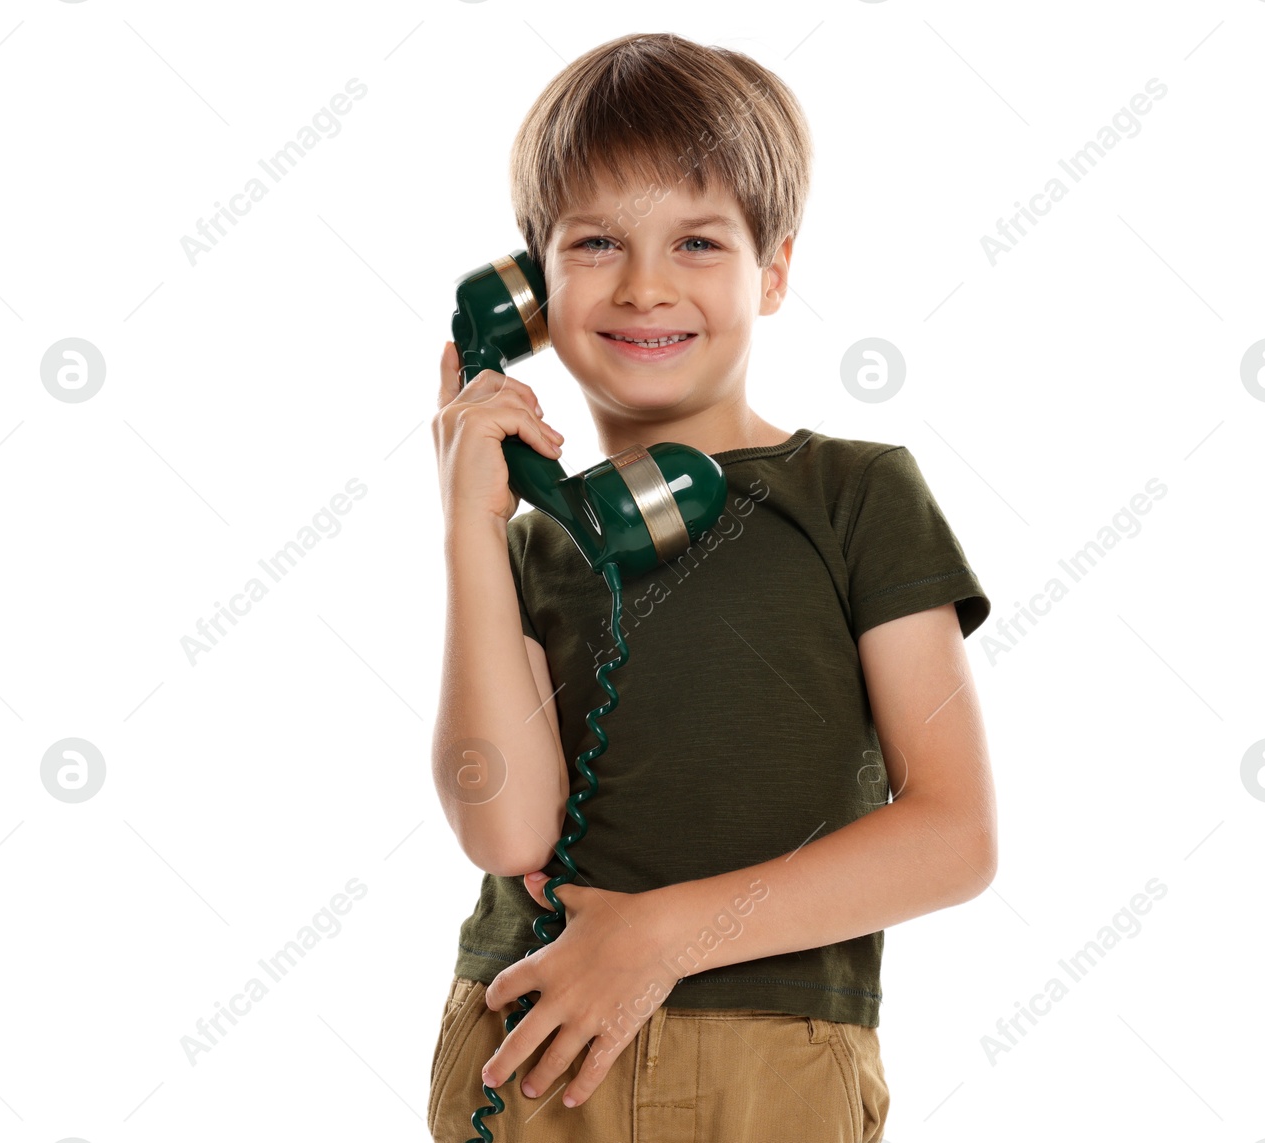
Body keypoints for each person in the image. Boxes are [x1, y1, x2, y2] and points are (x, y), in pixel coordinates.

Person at [427, 30, 996, 1143]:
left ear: (772, 270)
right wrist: (468, 525)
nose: (646, 285)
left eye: (697, 241)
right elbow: (506, 830)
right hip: (530, 1045)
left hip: (768, 1054)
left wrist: (659, 937)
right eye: (595, 242)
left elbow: (953, 834)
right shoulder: (538, 539)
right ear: (528, 295)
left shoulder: (853, 493)